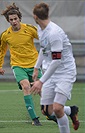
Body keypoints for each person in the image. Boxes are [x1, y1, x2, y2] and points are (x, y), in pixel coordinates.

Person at [31, 2, 80, 133]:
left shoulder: (54, 33)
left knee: (58, 108)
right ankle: (71, 110)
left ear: (35, 16)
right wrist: (36, 67)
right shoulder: (40, 29)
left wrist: (40, 82)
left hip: (64, 72)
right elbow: (44, 48)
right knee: (47, 111)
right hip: (50, 71)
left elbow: (57, 61)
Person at [0, 3, 42, 126]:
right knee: (26, 86)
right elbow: (2, 51)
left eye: (15, 19)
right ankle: (34, 119)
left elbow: (44, 39)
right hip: (18, 65)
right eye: (11, 20)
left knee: (43, 91)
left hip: (34, 65)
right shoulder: (6, 35)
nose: (14, 21)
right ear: (8, 21)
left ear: (19, 18)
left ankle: (49, 113)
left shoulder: (29, 29)